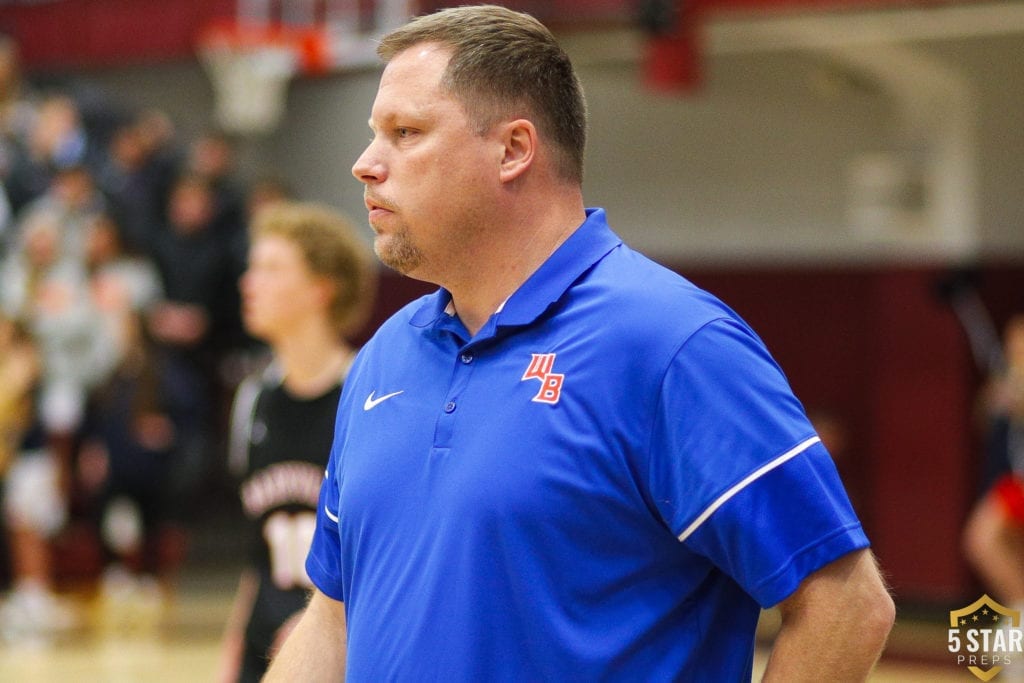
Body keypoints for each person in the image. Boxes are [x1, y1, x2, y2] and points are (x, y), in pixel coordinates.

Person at [266, 6, 894, 681]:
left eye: (405, 132)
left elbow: (847, 606)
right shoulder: (385, 356)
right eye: (374, 134)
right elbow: (332, 616)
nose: (365, 165)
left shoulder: (672, 345)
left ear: (513, 149)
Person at [216, 202, 375, 683]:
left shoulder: (369, 395)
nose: (249, 282)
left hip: (338, 653)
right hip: (263, 657)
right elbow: (255, 559)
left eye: (270, 268)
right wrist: (230, 660)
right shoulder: (252, 400)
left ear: (320, 288)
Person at [962, 314, 1024, 616]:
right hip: (1014, 479)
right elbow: (983, 421)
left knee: (982, 537)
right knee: (993, 544)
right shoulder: (1007, 377)